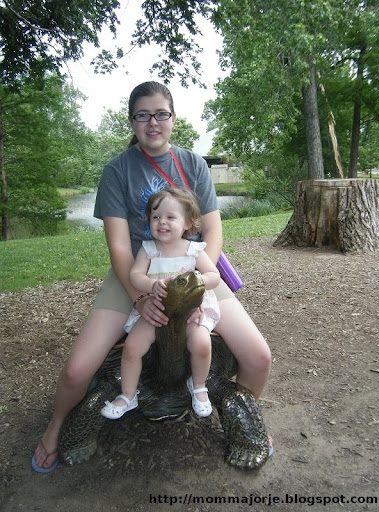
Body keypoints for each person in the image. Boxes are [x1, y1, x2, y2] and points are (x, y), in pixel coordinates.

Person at [32, 80, 272, 473]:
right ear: (132, 122)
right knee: (78, 369)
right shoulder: (117, 170)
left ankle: (250, 417)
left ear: (173, 118)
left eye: (161, 113)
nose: (153, 122)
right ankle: (56, 427)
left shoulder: (193, 164)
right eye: (142, 115)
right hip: (137, 274)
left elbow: (212, 233)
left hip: (193, 271)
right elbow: (121, 248)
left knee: (258, 356)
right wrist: (140, 297)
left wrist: (194, 285)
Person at [100, 188, 221, 420]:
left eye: (170, 217)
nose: (162, 222)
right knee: (133, 347)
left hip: (188, 311)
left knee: (202, 343)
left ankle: (198, 386)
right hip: (156, 311)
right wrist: (150, 285)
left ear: (187, 223)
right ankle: (127, 394)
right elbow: (135, 275)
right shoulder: (149, 250)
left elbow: (214, 276)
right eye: (155, 217)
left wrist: (198, 280)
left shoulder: (193, 250)